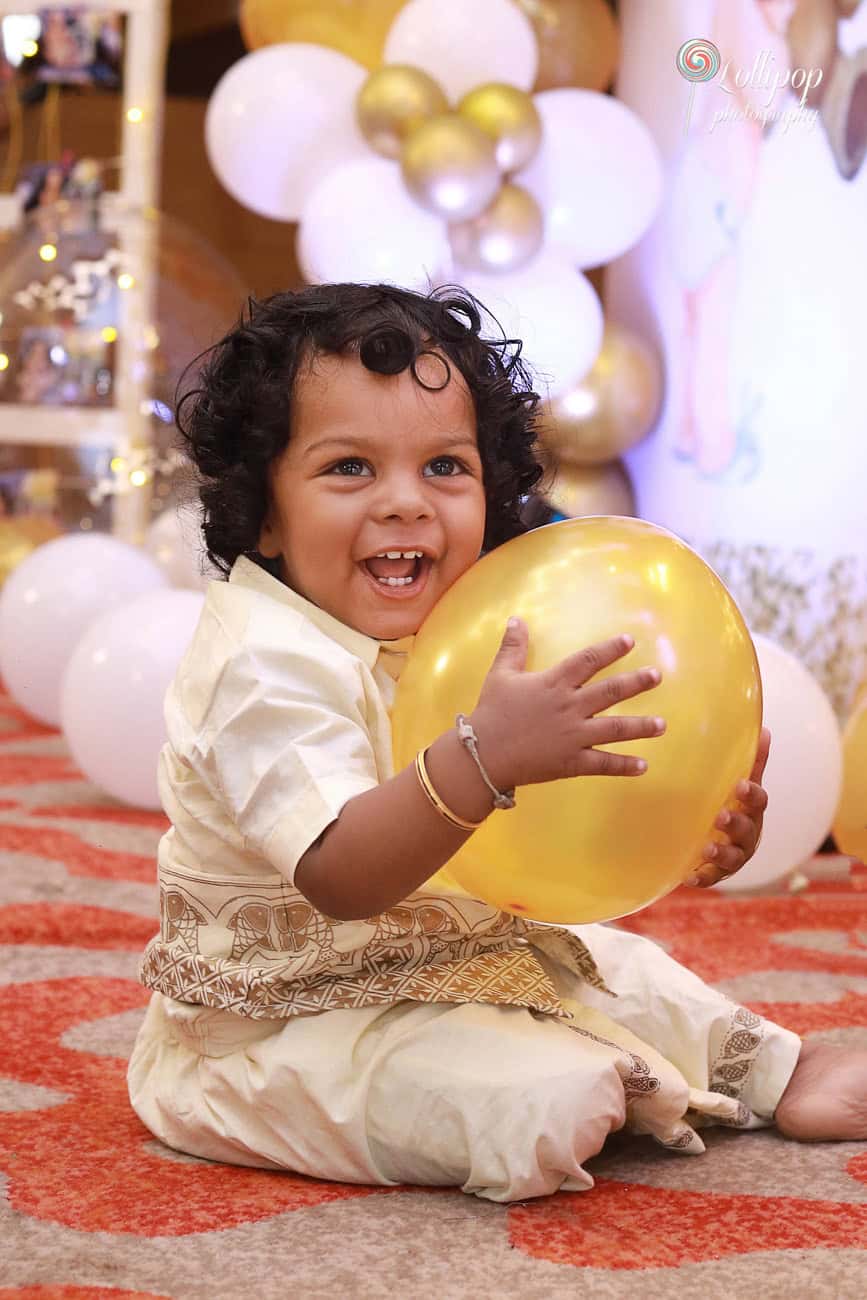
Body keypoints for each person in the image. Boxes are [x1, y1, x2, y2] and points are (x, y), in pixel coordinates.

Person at [127, 283, 866, 1203]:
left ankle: (776, 1072)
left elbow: (550, 828)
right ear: (265, 513)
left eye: (445, 467)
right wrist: (483, 757)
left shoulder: (468, 626)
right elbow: (341, 875)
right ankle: (539, 1084)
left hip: (453, 950)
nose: (406, 503)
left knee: (614, 964)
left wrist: (683, 831)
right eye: (349, 468)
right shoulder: (260, 664)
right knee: (516, 1090)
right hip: (279, 1021)